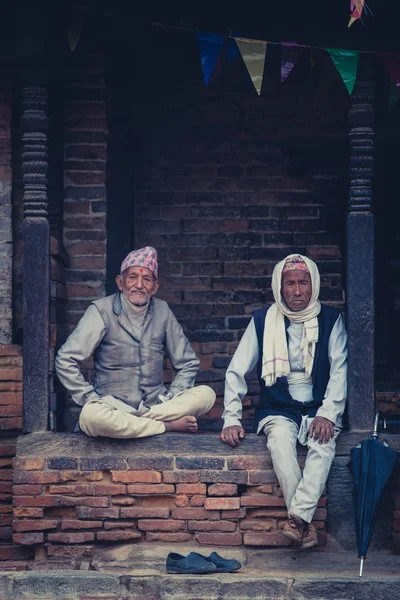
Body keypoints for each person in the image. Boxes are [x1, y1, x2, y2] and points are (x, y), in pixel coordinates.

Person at [220, 254, 347, 549]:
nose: (298, 291)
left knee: (323, 445)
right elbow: (236, 369)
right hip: (278, 407)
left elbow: (340, 370)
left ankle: (297, 521)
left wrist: (328, 414)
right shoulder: (263, 320)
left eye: (303, 282)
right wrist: (231, 418)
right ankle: (304, 523)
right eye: (290, 283)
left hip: (320, 407)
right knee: (279, 443)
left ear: (314, 285)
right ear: (279, 287)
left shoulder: (330, 319)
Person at [56, 246, 216, 439]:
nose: (139, 285)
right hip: (112, 405)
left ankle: (139, 422)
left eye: (146, 279)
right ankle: (165, 426)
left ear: (155, 287)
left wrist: (172, 396)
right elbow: (65, 359)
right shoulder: (101, 311)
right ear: (120, 282)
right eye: (132, 278)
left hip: (156, 405)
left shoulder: (163, 311)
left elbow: (188, 362)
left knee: (207, 395)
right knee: (91, 416)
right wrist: (90, 398)